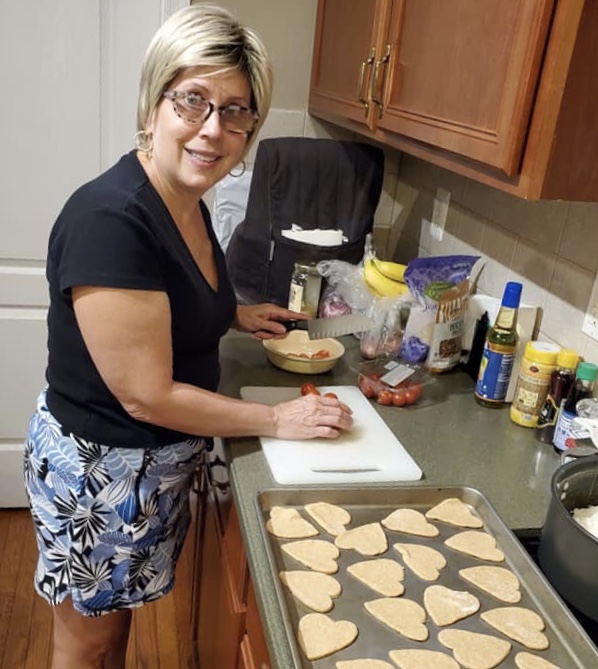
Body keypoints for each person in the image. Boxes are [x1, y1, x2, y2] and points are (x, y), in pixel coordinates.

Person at [23, 5, 353, 668]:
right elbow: (146, 394)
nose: (214, 129)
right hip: (103, 473)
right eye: (193, 100)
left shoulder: (182, 197)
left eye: (236, 110)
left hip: (150, 471)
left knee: (111, 631)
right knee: (84, 643)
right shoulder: (111, 219)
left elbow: (166, 292)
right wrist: (274, 419)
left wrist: (234, 312)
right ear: (154, 104)